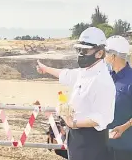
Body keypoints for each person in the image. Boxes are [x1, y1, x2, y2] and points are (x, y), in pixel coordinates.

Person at [36, 27, 116, 160]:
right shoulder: (84, 72)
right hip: (76, 138)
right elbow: (66, 74)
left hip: (91, 143)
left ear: (99, 53)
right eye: (79, 50)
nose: (80, 54)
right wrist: (46, 69)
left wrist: (73, 123)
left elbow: (101, 117)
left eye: (85, 51)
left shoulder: (102, 81)